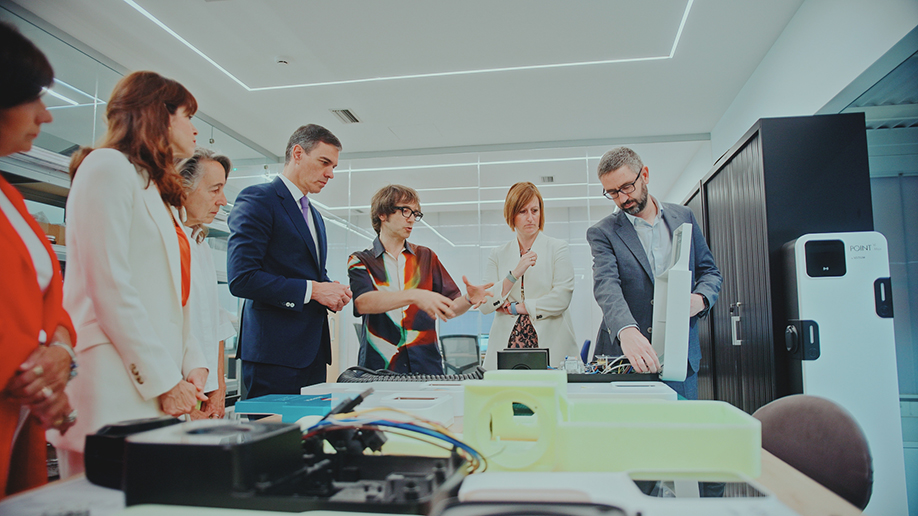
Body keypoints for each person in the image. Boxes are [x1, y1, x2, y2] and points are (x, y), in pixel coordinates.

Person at [48, 71, 209, 477]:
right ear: (159, 115)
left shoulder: (155, 190)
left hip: (155, 380)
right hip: (114, 379)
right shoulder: (106, 167)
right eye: (187, 115)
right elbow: (110, 286)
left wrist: (192, 363)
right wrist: (164, 381)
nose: (194, 128)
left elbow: (172, 296)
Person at [0, 21, 78, 497]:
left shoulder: (11, 198)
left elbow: (52, 300)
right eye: (34, 99)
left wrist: (62, 352)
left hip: (24, 413)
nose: (46, 118)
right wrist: (34, 373)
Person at [587, 147, 722, 399]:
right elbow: (607, 286)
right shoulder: (603, 232)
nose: (622, 198)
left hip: (680, 356)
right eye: (613, 192)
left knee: (679, 432)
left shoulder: (684, 216)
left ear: (645, 175)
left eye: (627, 187)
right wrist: (626, 330)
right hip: (624, 359)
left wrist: (701, 300)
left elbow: (709, 272)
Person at [227, 124, 352, 398]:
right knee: (274, 439)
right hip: (273, 356)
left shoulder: (315, 215)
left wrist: (331, 289)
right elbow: (242, 278)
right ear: (297, 153)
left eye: (334, 166)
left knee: (310, 438)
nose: (330, 174)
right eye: (324, 163)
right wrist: (316, 290)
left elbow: (306, 270)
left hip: (313, 354)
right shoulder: (259, 199)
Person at [348, 185, 493, 374]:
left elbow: (449, 308)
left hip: (426, 365)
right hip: (380, 368)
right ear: (382, 214)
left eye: (415, 213)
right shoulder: (360, 260)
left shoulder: (426, 257)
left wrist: (467, 299)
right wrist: (414, 295)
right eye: (405, 211)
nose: (411, 219)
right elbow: (363, 303)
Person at [479, 182, 578, 370]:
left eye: (535, 210)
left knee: (549, 397)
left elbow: (561, 298)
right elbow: (484, 304)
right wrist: (514, 274)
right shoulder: (498, 254)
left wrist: (518, 307)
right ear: (512, 215)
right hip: (506, 345)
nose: (531, 218)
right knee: (505, 398)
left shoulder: (558, 248)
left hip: (550, 342)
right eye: (523, 212)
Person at [177, 148, 237, 419]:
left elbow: (215, 322)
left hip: (204, 388)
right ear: (181, 187)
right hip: (176, 390)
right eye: (215, 190)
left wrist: (219, 386)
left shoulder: (199, 242)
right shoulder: (165, 240)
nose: (223, 200)